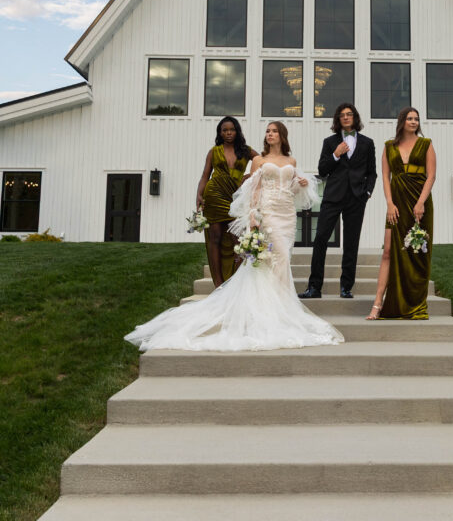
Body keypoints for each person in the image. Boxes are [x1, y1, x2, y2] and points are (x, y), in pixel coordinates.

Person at [126, 122, 343, 352]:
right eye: (267, 131)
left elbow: (292, 190)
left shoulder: (291, 162)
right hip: (267, 213)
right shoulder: (259, 160)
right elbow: (254, 190)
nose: (269, 134)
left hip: (286, 214)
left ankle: (282, 308)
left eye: (274, 131)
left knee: (282, 260)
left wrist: (300, 185)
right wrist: (252, 215)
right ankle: (268, 311)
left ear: (282, 136)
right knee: (271, 258)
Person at [300, 103, 377, 300]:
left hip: (356, 198)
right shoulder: (329, 142)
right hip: (333, 196)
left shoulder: (367, 143)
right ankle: (314, 287)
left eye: (349, 114)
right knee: (321, 239)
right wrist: (336, 154)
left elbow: (372, 173)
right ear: (338, 119)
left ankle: (346, 287)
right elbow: (323, 169)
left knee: (351, 243)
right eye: (342, 115)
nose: (345, 117)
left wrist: (367, 193)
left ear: (355, 118)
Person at [367, 107, 436, 320]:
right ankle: (378, 304)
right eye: (409, 118)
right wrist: (389, 203)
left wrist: (421, 203)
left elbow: (431, 176)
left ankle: (415, 304)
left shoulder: (426, 144)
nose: (414, 122)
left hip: (419, 204)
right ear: (402, 121)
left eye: (416, 119)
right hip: (396, 204)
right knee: (388, 251)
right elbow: (385, 178)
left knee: (417, 253)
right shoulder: (389, 147)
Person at [196, 116, 257, 287]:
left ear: (237, 131)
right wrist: (199, 195)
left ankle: (234, 282)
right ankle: (218, 283)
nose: (228, 133)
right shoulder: (214, 151)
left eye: (232, 129)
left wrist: (249, 175)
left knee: (237, 239)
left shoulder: (246, 151)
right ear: (220, 133)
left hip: (236, 198)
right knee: (215, 238)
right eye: (225, 130)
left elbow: (263, 163)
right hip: (214, 195)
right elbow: (204, 176)